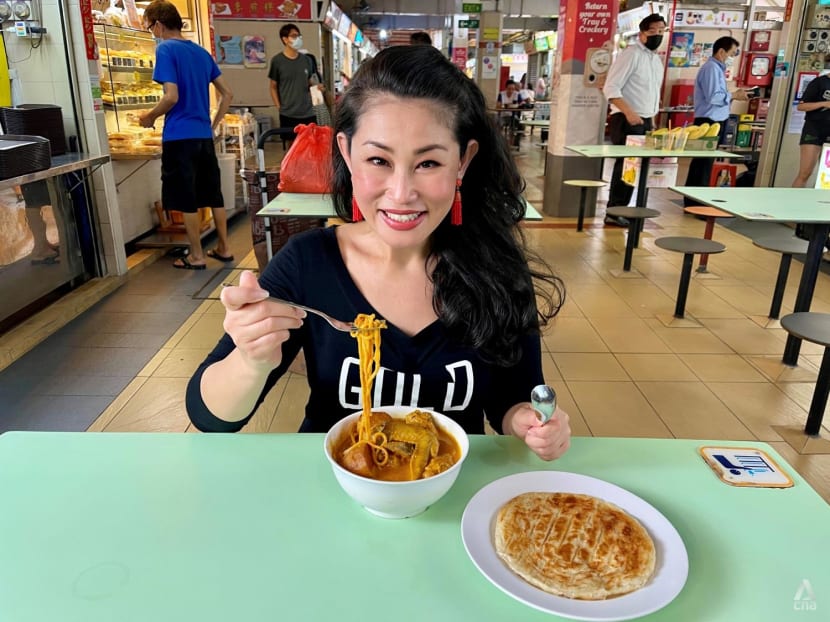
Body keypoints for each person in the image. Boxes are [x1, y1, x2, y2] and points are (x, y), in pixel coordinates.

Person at [186, 45, 571, 462]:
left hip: (453, 491)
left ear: (463, 161)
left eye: (428, 164)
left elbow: (513, 395)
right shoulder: (308, 262)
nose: (402, 193)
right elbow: (212, 419)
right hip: (339, 490)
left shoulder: (497, 266)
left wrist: (527, 422)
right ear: (348, 155)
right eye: (378, 160)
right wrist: (250, 358)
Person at [139, 0, 234, 270]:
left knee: (186, 197)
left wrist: (150, 117)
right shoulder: (201, 52)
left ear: (158, 23)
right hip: (202, 136)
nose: (152, 32)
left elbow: (171, 96)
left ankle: (196, 255)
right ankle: (224, 248)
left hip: (179, 137)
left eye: (150, 27)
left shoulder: (166, 49)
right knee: (213, 193)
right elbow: (228, 93)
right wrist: (213, 124)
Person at [602, 13, 666, 226]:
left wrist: (652, 120)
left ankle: (624, 209)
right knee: (627, 166)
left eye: (661, 31)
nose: (658, 35)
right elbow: (611, 87)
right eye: (653, 31)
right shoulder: (630, 54)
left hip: (646, 120)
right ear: (642, 33)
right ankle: (614, 210)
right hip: (627, 118)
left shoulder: (656, 60)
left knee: (634, 168)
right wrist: (629, 112)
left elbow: (652, 93)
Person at [682, 36, 748, 204]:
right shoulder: (711, 68)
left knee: (704, 163)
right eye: (732, 53)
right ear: (721, 51)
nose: (732, 57)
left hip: (716, 120)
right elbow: (713, 97)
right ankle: (696, 202)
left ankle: (693, 200)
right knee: (703, 164)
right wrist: (734, 95)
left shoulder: (717, 69)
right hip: (708, 122)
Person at [268, 23, 318, 131]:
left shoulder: (307, 60)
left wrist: (318, 88)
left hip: (308, 112)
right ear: (285, 39)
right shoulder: (277, 61)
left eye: (299, 36)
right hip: (288, 113)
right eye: (294, 36)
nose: (298, 39)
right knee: (292, 146)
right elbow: (273, 86)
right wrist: (279, 107)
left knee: (310, 143)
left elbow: (311, 82)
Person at [792, 58, 830, 187]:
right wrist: (824, 103)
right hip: (814, 130)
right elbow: (801, 106)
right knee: (805, 172)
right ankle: (792, 204)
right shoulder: (819, 82)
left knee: (827, 175)